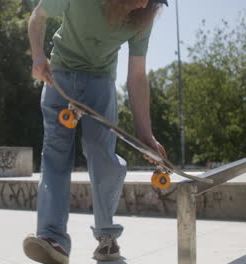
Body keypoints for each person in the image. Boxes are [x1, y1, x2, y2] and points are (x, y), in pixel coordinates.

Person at [23, 0, 168, 263]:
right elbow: (38, 16)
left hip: (101, 83)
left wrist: (145, 135)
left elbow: (137, 75)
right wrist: (37, 55)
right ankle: (51, 237)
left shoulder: (143, 16)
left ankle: (107, 237)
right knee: (55, 155)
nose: (144, 3)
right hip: (59, 75)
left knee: (103, 155)